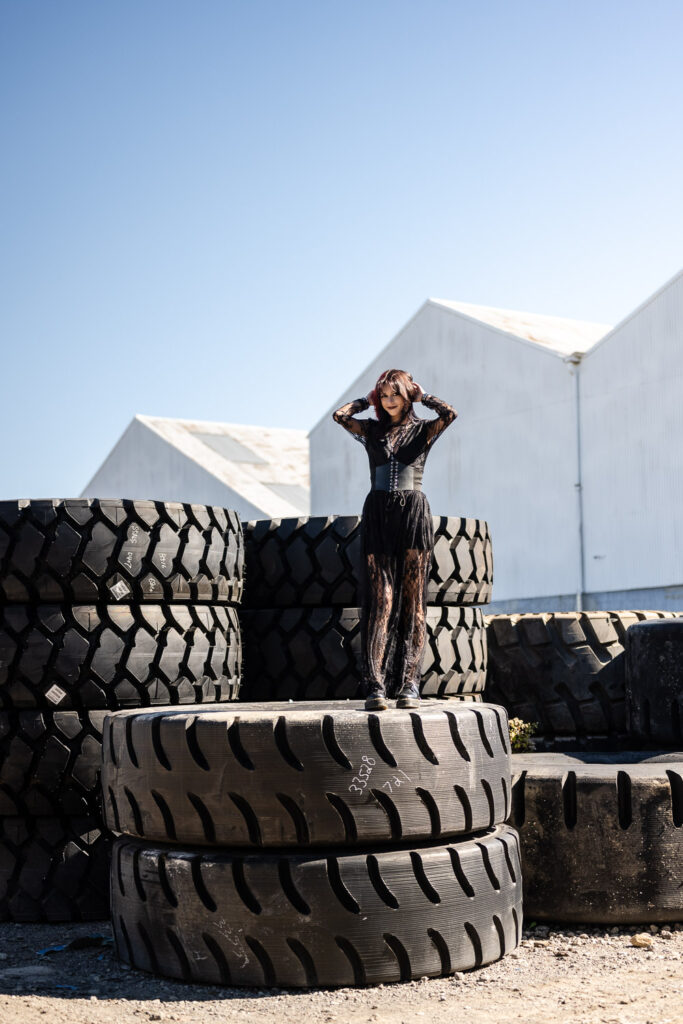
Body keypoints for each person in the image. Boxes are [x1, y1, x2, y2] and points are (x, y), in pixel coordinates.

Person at [332, 369, 457, 710]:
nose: (388, 401)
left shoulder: (423, 429)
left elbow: (450, 414)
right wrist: (365, 400)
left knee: (414, 600)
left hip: (413, 512)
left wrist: (423, 395)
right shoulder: (371, 429)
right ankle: (375, 685)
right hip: (378, 513)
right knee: (382, 601)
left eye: (395, 394)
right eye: (383, 395)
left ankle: (410, 685)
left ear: (406, 396)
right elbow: (340, 416)